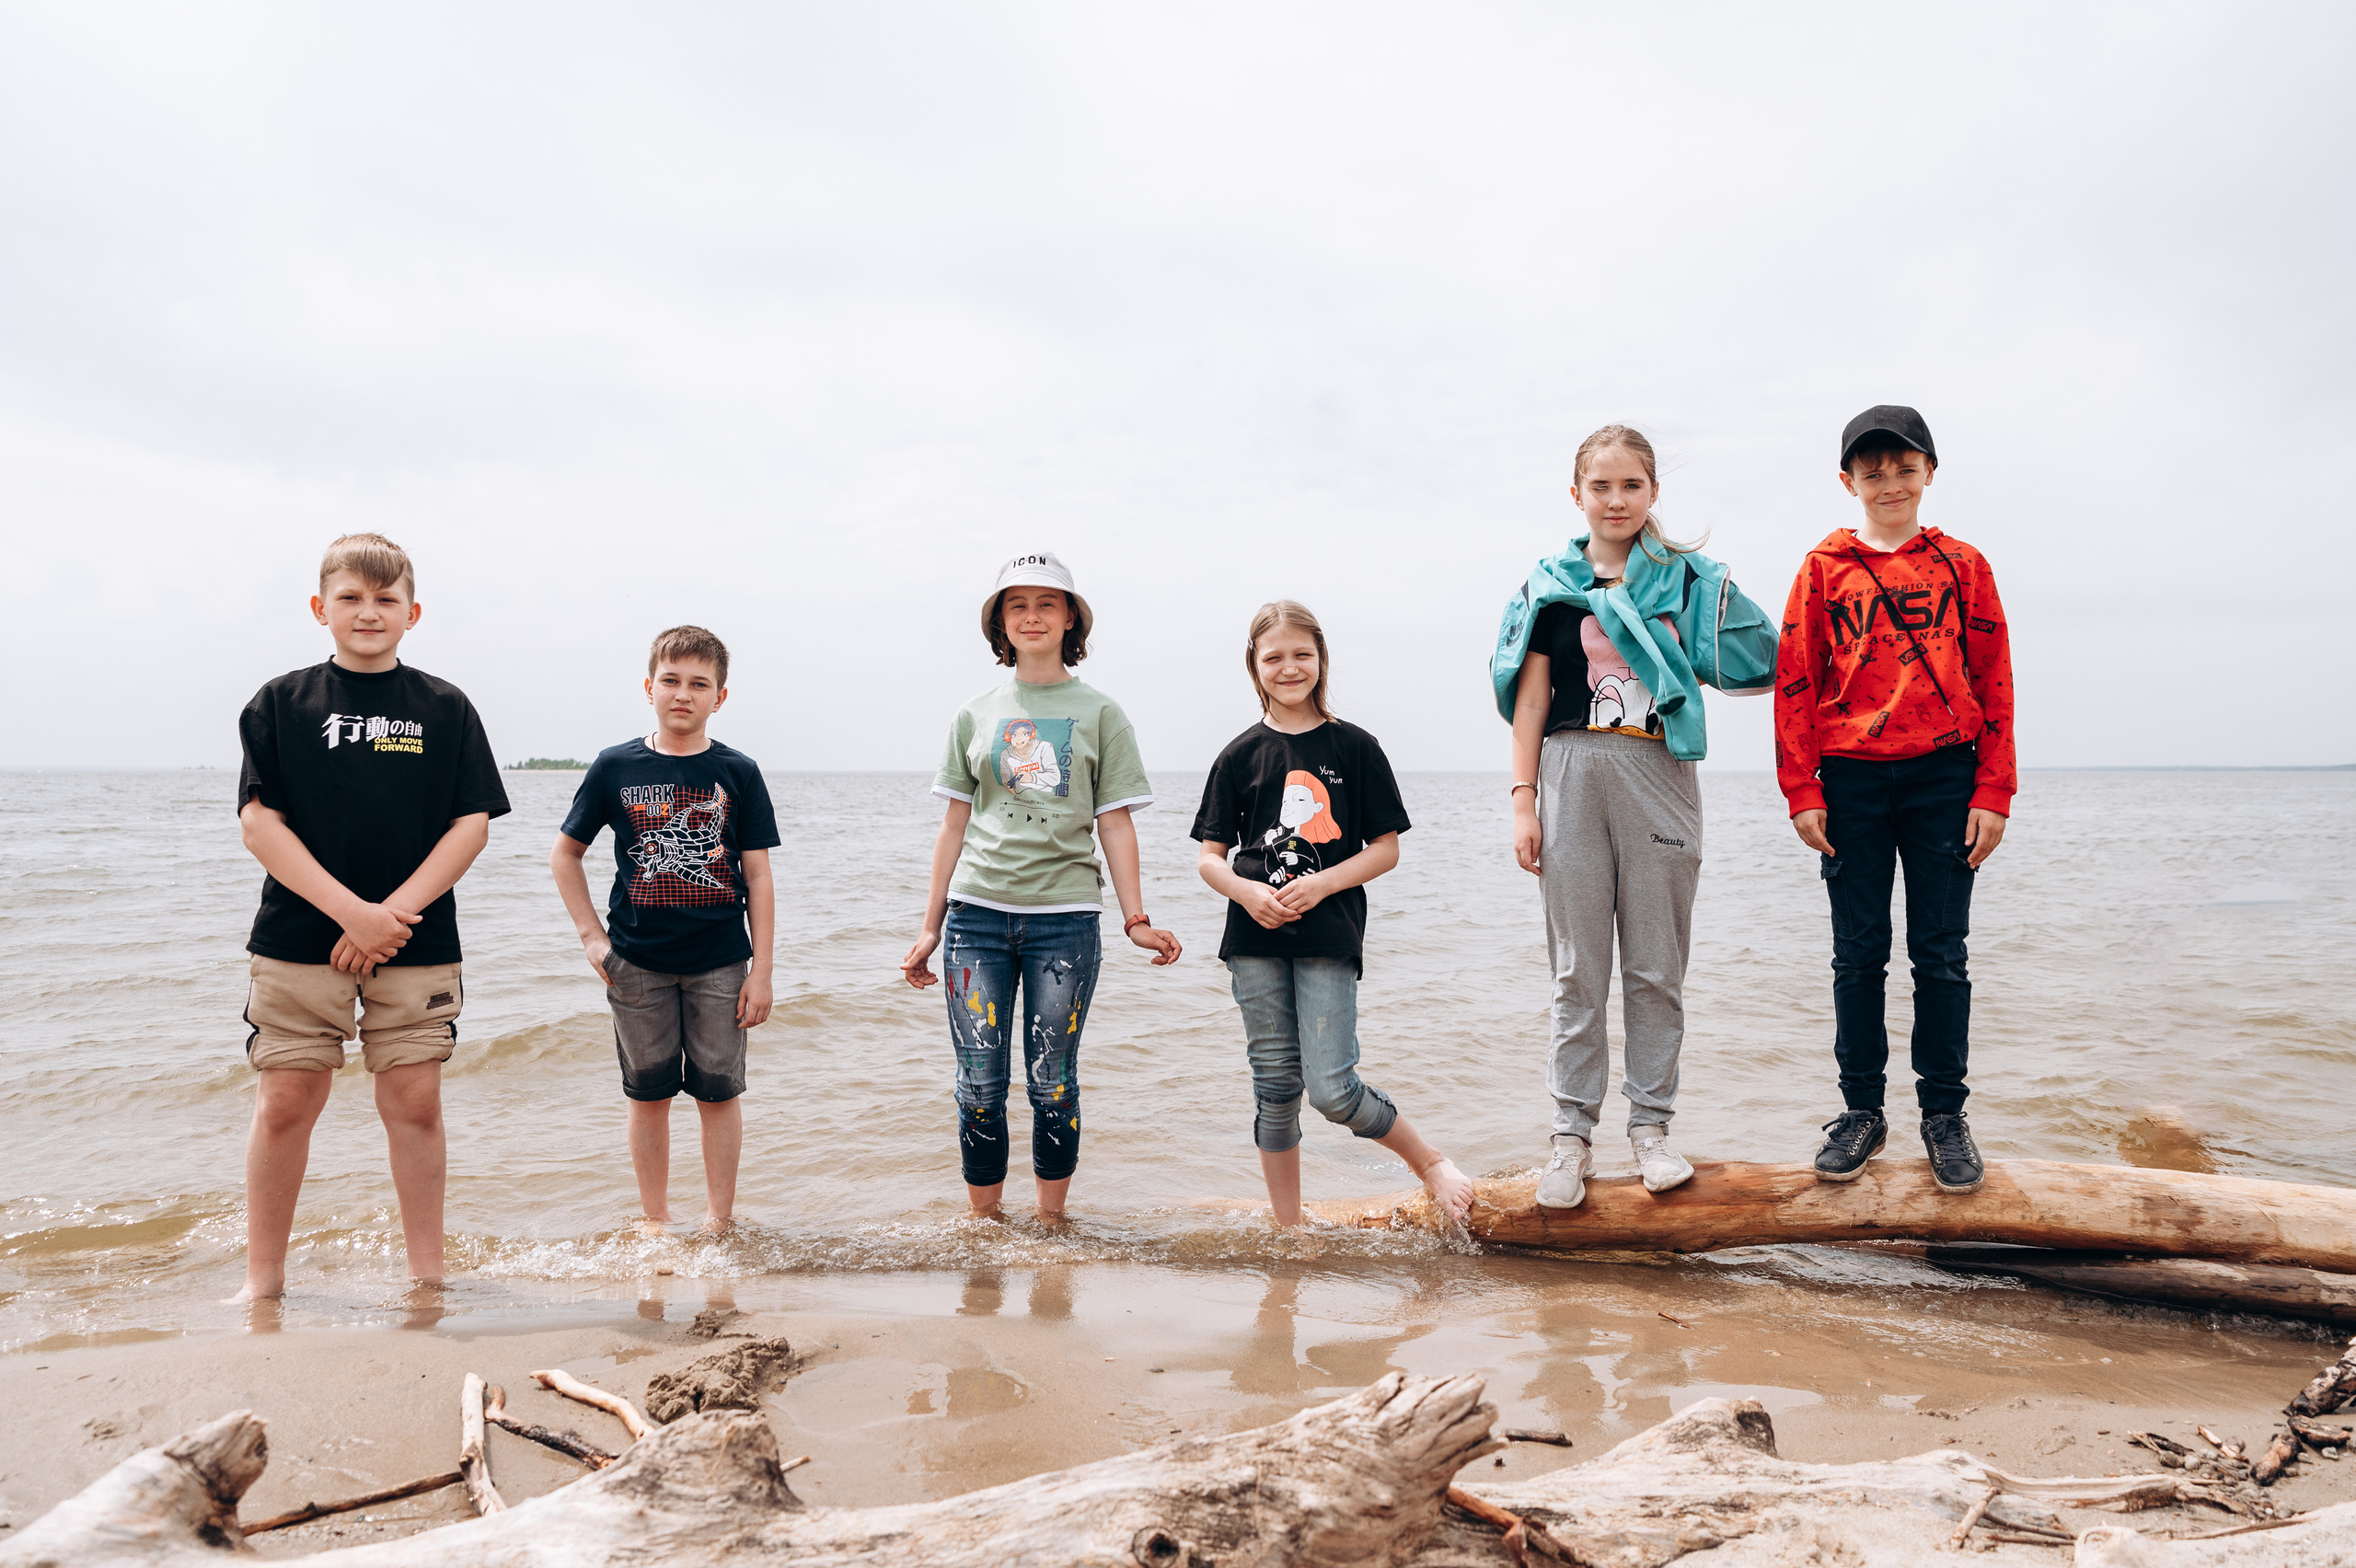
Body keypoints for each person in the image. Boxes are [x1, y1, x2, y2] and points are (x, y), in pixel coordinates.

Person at [1492, 425, 1779, 1210]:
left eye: (1631, 486)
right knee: (1577, 970)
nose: (1615, 501)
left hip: (1659, 769)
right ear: (1576, 494)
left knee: (1657, 968)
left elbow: (1764, 657)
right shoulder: (1551, 587)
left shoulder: (1684, 583)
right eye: (1600, 487)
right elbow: (1531, 701)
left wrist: (1706, 578)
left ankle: (1651, 1130)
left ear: (1653, 494)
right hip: (1569, 771)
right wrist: (1524, 801)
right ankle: (1569, 1139)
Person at [232, 534, 509, 1300]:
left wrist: (391, 915)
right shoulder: (280, 703)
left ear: (412, 613)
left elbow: (472, 824)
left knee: (415, 1101)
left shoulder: (445, 707)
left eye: (386, 600)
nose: (368, 612)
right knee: (287, 1101)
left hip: (415, 940)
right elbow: (261, 825)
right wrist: (352, 914)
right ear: (321, 608)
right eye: (351, 597)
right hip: (298, 937)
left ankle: (427, 1276)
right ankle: (264, 1281)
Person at [900, 553, 1182, 1221]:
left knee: (1052, 1083)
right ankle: (985, 1227)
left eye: (1047, 603)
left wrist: (1135, 917)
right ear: (1000, 621)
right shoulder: (974, 714)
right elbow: (954, 825)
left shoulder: (1102, 713)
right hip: (976, 919)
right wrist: (928, 926)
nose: (1032, 615)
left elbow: (1114, 824)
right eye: (1017, 603)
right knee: (979, 1085)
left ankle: (1052, 1226)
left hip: (1066, 922)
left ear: (1071, 619)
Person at [1776, 406, 2015, 1194]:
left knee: (1941, 956)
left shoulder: (1965, 566)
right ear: (1849, 481)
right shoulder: (1822, 570)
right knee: (1859, 955)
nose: (1888, 482)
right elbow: (1795, 682)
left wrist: (1994, 788)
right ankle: (1861, 1113)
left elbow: (1996, 681)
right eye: (1871, 470)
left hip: (1947, 776)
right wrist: (1801, 788)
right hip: (1850, 779)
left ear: (1929, 474)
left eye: (1904, 467)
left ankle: (1945, 1117)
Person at [1193, 601, 1475, 1227]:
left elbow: (1386, 849)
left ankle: (1430, 1163)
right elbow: (1211, 859)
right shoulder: (1238, 756)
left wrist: (1321, 885)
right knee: (1274, 1089)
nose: (1289, 667)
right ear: (1254, 666)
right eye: (1274, 657)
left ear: (1321, 660)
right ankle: (1289, 1228)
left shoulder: (1354, 746)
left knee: (1332, 1090)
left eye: (1302, 654)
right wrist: (1246, 893)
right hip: (1253, 939)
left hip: (1329, 934)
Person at [551, 626, 778, 1234]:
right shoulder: (615, 766)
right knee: (647, 1095)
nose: (684, 694)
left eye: (699, 684)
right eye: (671, 681)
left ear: (719, 697)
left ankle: (718, 1222)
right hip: (636, 962)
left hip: (722, 963)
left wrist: (762, 971)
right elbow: (564, 854)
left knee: (718, 1094)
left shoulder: (739, 772)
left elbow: (757, 875)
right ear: (650, 687)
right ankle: (655, 1221)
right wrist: (591, 937)